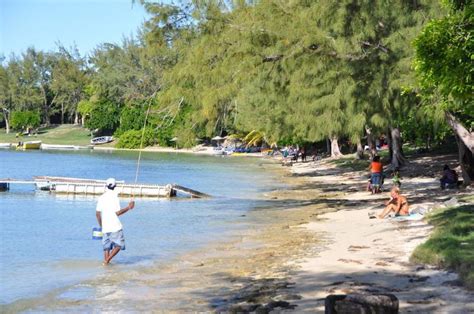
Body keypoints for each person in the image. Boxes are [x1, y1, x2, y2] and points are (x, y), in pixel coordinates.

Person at [96, 178, 135, 265]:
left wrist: (101, 226)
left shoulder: (101, 197)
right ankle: (106, 261)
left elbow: (97, 214)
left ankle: (106, 268)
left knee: (107, 247)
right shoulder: (115, 197)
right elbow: (118, 213)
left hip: (105, 227)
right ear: (115, 186)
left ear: (106, 186)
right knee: (119, 245)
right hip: (115, 227)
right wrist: (129, 207)